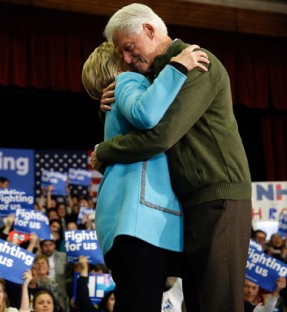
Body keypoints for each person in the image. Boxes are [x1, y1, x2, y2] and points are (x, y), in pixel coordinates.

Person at [91, 3, 252, 312]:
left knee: (217, 303)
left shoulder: (195, 63)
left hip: (218, 199)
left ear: (150, 31)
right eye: (121, 54)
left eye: (128, 48)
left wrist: (104, 151)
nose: (125, 59)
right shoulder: (158, 77)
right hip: (190, 203)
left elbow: (160, 136)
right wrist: (107, 114)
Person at [82, 36, 208, 312]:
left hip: (123, 223)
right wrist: (177, 67)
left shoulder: (115, 100)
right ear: (117, 64)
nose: (132, 57)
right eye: (125, 53)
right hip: (140, 222)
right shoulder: (129, 82)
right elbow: (146, 114)